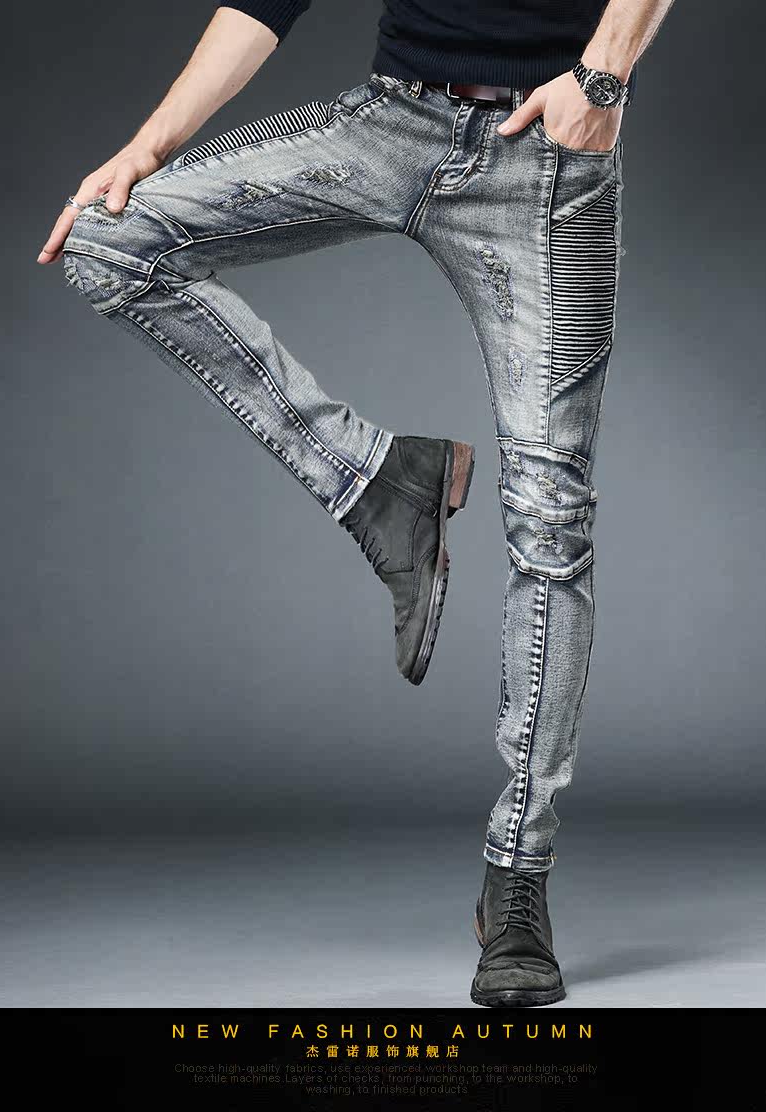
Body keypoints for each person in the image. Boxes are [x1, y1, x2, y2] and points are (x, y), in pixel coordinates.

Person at [38, 0, 676, 1007]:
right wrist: (148, 144)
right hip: (390, 122)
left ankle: (517, 878)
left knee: (552, 521)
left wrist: (602, 78)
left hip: (548, 152)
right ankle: (378, 479)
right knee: (110, 240)